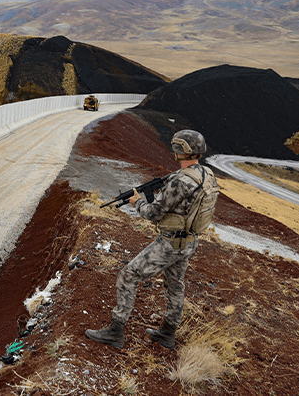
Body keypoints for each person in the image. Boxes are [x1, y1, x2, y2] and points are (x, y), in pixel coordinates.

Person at [85, 129, 218, 349]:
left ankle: (115, 331)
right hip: (189, 242)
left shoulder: (180, 181)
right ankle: (167, 333)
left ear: (180, 151)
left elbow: (153, 214)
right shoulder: (206, 174)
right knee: (175, 287)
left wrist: (137, 202)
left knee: (128, 275)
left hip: (170, 244)